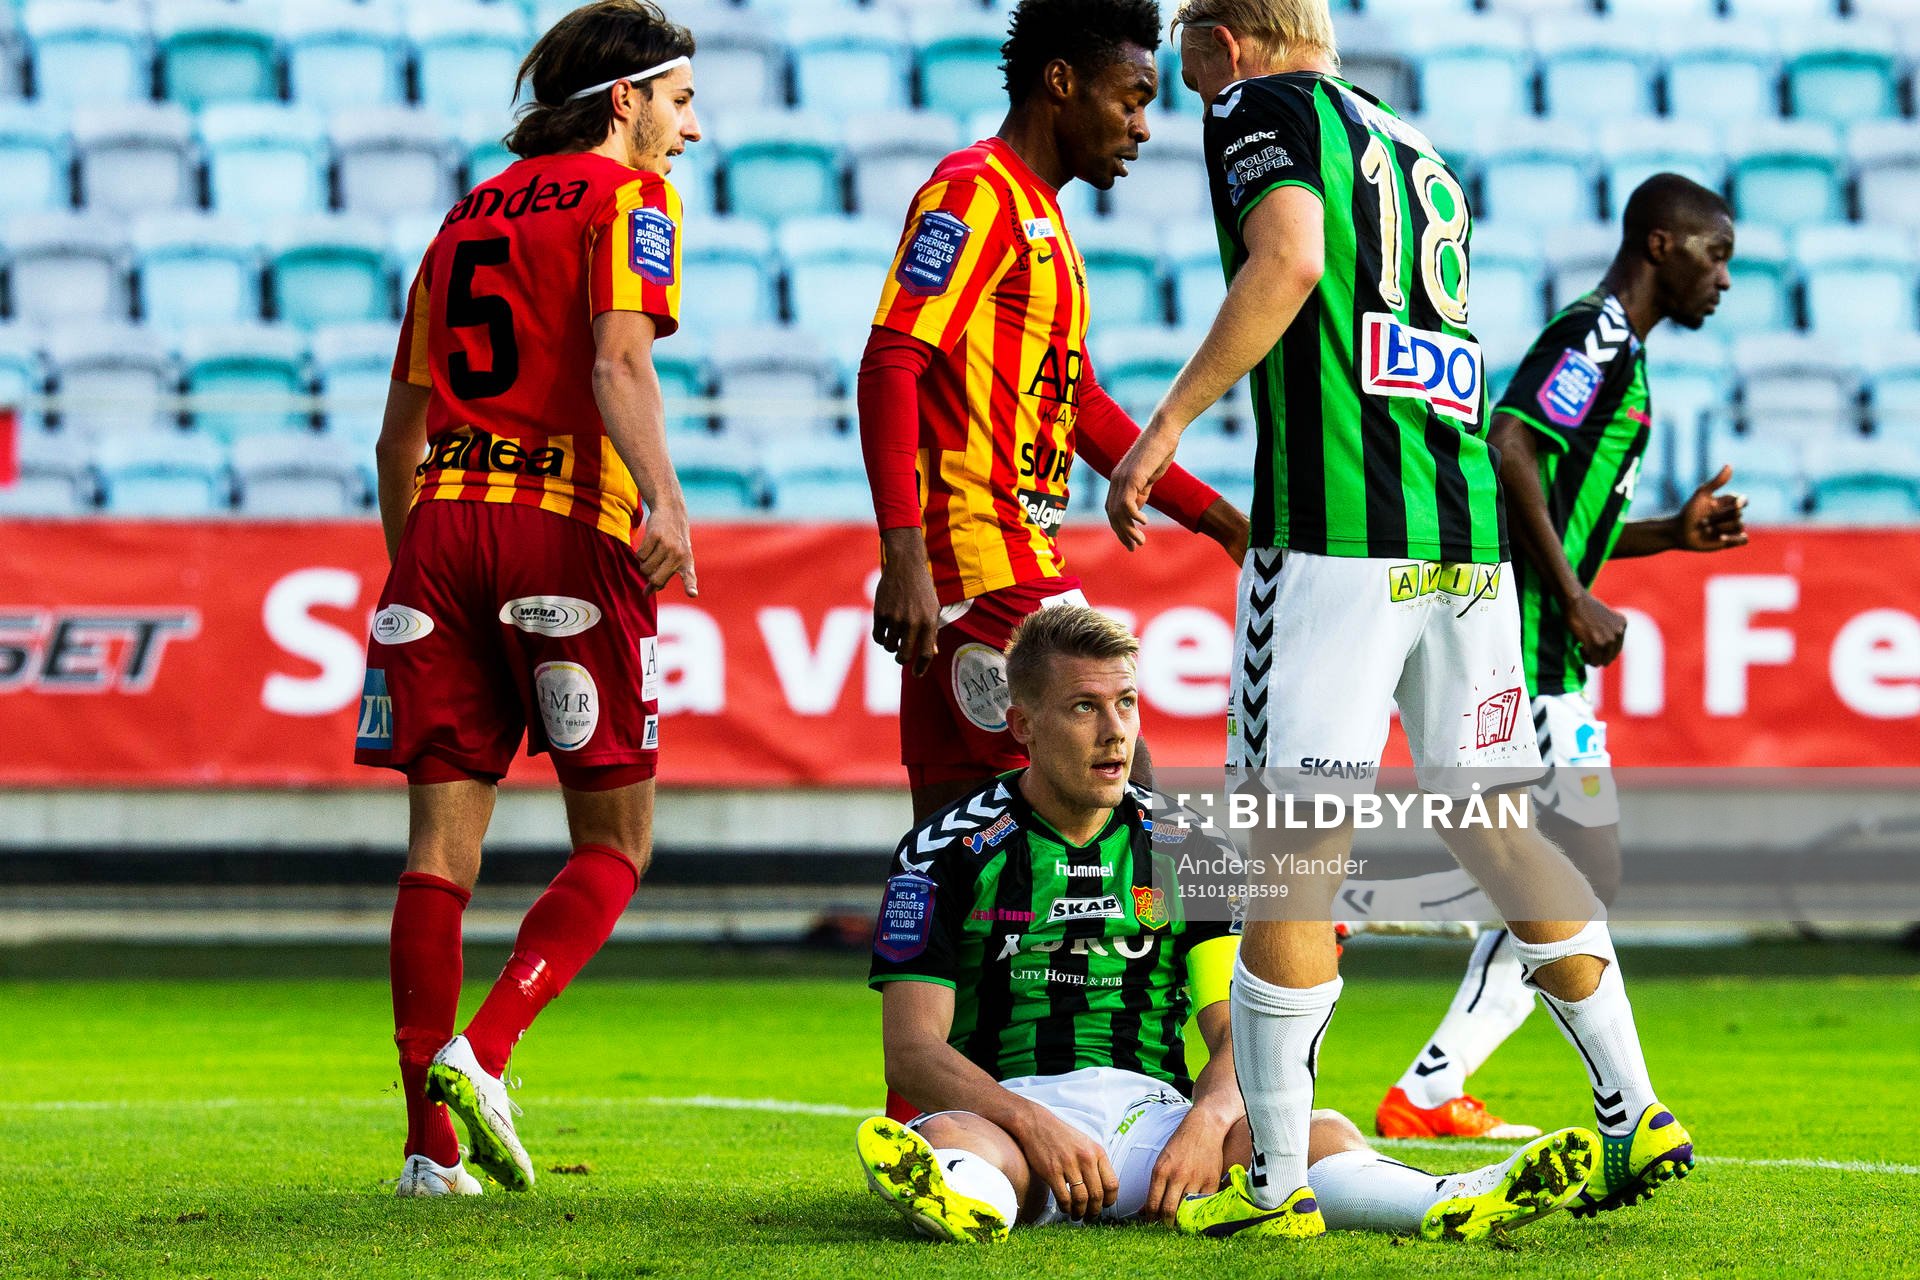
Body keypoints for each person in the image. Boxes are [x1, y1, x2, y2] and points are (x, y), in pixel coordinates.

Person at [1101, 0, 1693, 1238]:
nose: (1175, 52)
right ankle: (1635, 1105)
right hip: (1463, 540)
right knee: (1495, 824)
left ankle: (1272, 1186)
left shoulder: (1256, 107)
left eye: (1188, 28)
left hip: (1337, 535)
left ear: (1233, 34)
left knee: (1289, 851)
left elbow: (1292, 259)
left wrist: (1166, 426)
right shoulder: (1421, 156)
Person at [854, 605, 1599, 1244]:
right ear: (1022, 725)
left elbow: (1237, 1029)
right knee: (955, 1139)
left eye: (1127, 703)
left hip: (1155, 1122)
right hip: (1010, 1116)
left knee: (1318, 1132)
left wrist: (1207, 1121)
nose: (1116, 732)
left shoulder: (1185, 845)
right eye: (1085, 707)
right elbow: (913, 1053)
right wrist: (1034, 1124)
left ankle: (1447, 1203)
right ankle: (965, 1193)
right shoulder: (944, 851)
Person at [355, 0, 700, 1196]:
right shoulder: (631, 203)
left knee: (438, 852)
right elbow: (618, 360)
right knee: (616, 839)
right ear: (627, 100)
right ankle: (486, 1050)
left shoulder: (457, 222)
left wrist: (424, 561)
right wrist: (665, 499)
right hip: (567, 528)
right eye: (681, 101)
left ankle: (426, 1151)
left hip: (440, 530)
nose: (688, 131)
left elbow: (398, 431)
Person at [1378, 175, 1746, 1140]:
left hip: (1554, 658)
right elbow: (1508, 447)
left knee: (1576, 867)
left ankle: (1431, 1085)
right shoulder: (1597, 339)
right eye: (1716, 256)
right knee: (1572, 863)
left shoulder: (1624, 355)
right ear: (1663, 245)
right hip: (1532, 651)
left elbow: (1570, 516)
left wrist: (1672, 533)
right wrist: (1574, 597)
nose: (1725, 280)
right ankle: (1433, 1079)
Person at [859, 0, 1250, 827]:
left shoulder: (1040, 216)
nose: (1142, 127)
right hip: (987, 554)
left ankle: (932, 961)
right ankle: (1218, 957)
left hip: (979, 565)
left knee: (951, 854)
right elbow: (892, 360)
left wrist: (1218, 520)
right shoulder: (974, 194)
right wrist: (902, 550)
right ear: (1062, 82)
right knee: (1125, 788)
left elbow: (1078, 406)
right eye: (1131, 98)